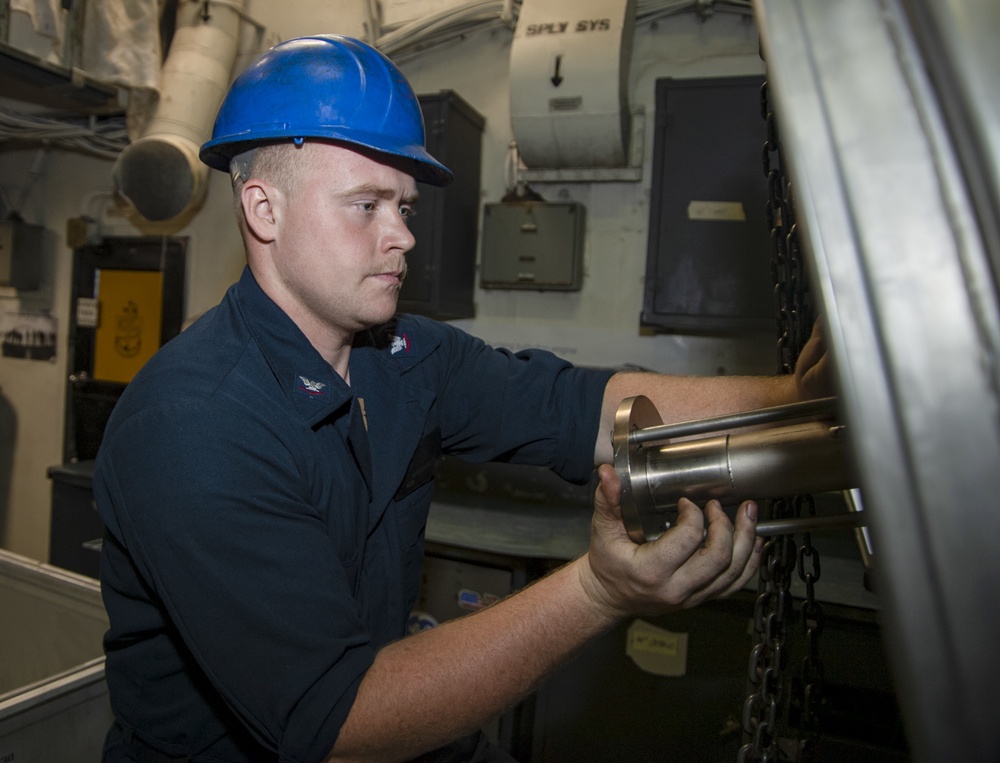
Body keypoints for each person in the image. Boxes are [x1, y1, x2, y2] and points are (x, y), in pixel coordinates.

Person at [94, 34, 827, 763]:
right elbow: (338, 723)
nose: (402, 236)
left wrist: (797, 397)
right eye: (366, 204)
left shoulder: (406, 357)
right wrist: (600, 591)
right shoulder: (194, 425)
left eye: (405, 207)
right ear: (265, 210)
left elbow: (585, 405)